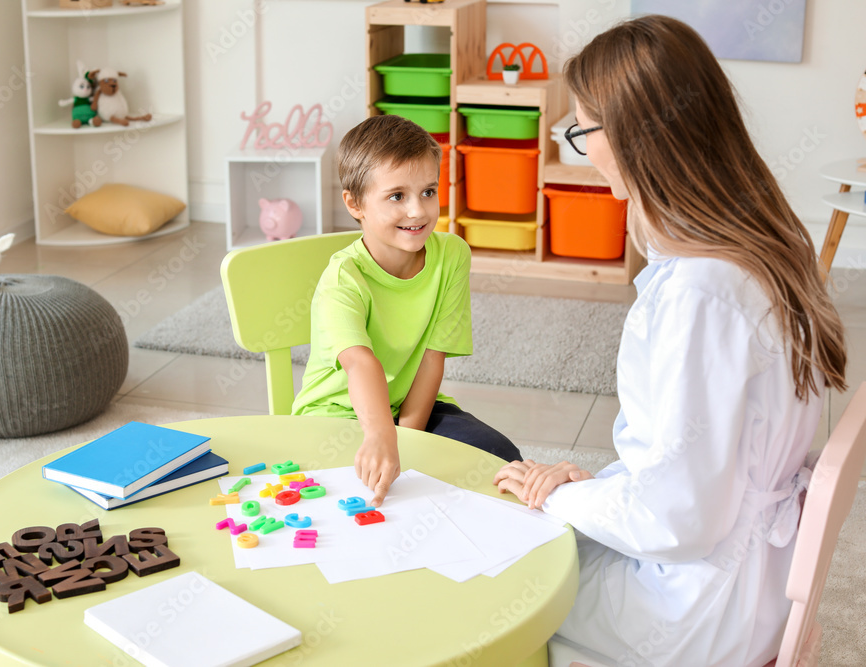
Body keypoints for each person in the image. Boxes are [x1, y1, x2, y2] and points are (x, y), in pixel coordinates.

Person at [493, 15, 847, 667]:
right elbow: (693, 465)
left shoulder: (702, 292)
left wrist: (562, 494)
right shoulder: (768, 243)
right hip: (742, 577)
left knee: (503, 584)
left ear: (635, 136)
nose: (581, 151)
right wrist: (589, 484)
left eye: (581, 132)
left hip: (693, 609)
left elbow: (679, 517)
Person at [292, 113, 520, 507]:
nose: (418, 211)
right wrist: (384, 436)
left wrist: (408, 437)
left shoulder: (451, 255)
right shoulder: (342, 280)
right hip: (336, 416)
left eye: (428, 191)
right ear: (355, 203)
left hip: (411, 408)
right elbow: (361, 363)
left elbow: (433, 358)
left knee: (501, 459)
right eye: (397, 196)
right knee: (369, 498)